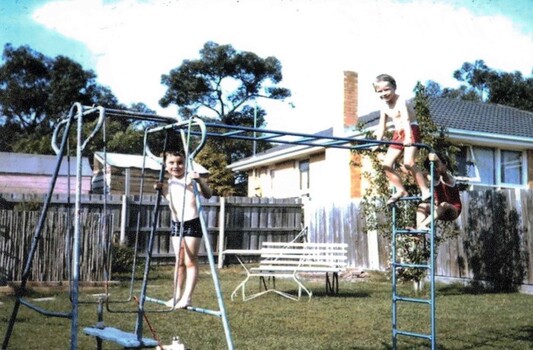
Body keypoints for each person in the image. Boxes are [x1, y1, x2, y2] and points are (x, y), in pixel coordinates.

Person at [161, 150, 212, 309]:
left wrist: (200, 181)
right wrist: (159, 189)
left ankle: (187, 297)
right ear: (166, 165)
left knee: (190, 261)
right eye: (172, 163)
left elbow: (209, 194)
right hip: (176, 224)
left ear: (185, 163)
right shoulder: (167, 183)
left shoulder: (190, 178)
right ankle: (176, 295)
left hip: (191, 222)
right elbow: (171, 200)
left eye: (180, 162)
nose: (176, 166)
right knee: (179, 261)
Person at [372, 74, 431, 205]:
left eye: (387, 89)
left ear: (394, 88)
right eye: (380, 91)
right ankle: (401, 190)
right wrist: (377, 142)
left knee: (408, 163)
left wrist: (409, 137)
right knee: (386, 164)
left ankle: (425, 189)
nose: (384, 93)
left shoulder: (402, 100)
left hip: (410, 129)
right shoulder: (383, 106)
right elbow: (382, 126)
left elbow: (406, 119)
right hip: (398, 134)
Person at [416, 153, 462, 229]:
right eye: (433, 168)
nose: (436, 170)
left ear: (445, 165)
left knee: (444, 204)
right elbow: (415, 172)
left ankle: (423, 225)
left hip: (453, 210)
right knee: (422, 206)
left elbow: (442, 171)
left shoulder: (447, 179)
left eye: (436, 167)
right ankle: (419, 230)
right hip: (439, 211)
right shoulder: (431, 177)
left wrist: (435, 158)